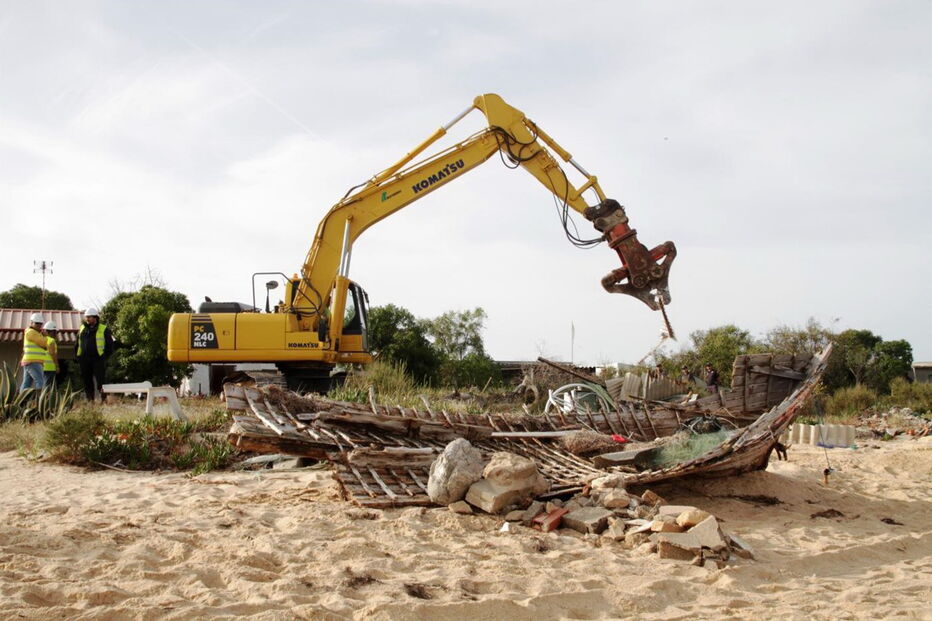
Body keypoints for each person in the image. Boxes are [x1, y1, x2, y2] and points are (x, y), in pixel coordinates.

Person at [75, 308, 114, 402]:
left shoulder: (104, 329)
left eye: (89, 317)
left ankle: (103, 399)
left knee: (100, 380)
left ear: (95, 318)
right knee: (87, 380)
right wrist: (78, 356)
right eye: (86, 317)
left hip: (98, 359)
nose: (87, 319)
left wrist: (104, 357)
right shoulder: (82, 328)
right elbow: (77, 343)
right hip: (84, 359)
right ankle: (90, 401)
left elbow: (110, 345)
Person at [20, 313, 48, 391]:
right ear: (31, 322)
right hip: (33, 361)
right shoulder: (31, 332)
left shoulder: (35, 333)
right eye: (37, 323)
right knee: (40, 382)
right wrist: (45, 336)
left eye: (40, 323)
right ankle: (39, 400)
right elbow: (43, 343)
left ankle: (21, 400)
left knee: (26, 383)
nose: (39, 325)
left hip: (30, 361)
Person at [41, 320, 60, 387]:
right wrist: (57, 366)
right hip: (50, 367)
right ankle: (46, 397)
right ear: (52, 332)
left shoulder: (42, 340)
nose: (56, 334)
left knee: (44, 384)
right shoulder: (51, 341)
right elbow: (52, 354)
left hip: (42, 366)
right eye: (55, 332)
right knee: (48, 387)